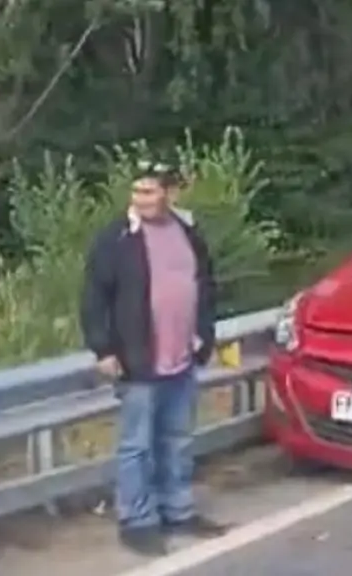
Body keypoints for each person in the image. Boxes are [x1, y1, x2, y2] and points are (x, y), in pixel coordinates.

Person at [80, 163, 230, 556]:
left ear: (170, 194)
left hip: (182, 357)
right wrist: (103, 349)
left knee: (177, 439)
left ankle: (177, 510)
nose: (141, 200)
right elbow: (94, 296)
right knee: (137, 445)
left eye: (149, 192)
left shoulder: (188, 232)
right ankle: (136, 519)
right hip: (137, 359)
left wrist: (204, 335)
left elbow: (205, 286)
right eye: (136, 192)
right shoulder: (116, 238)